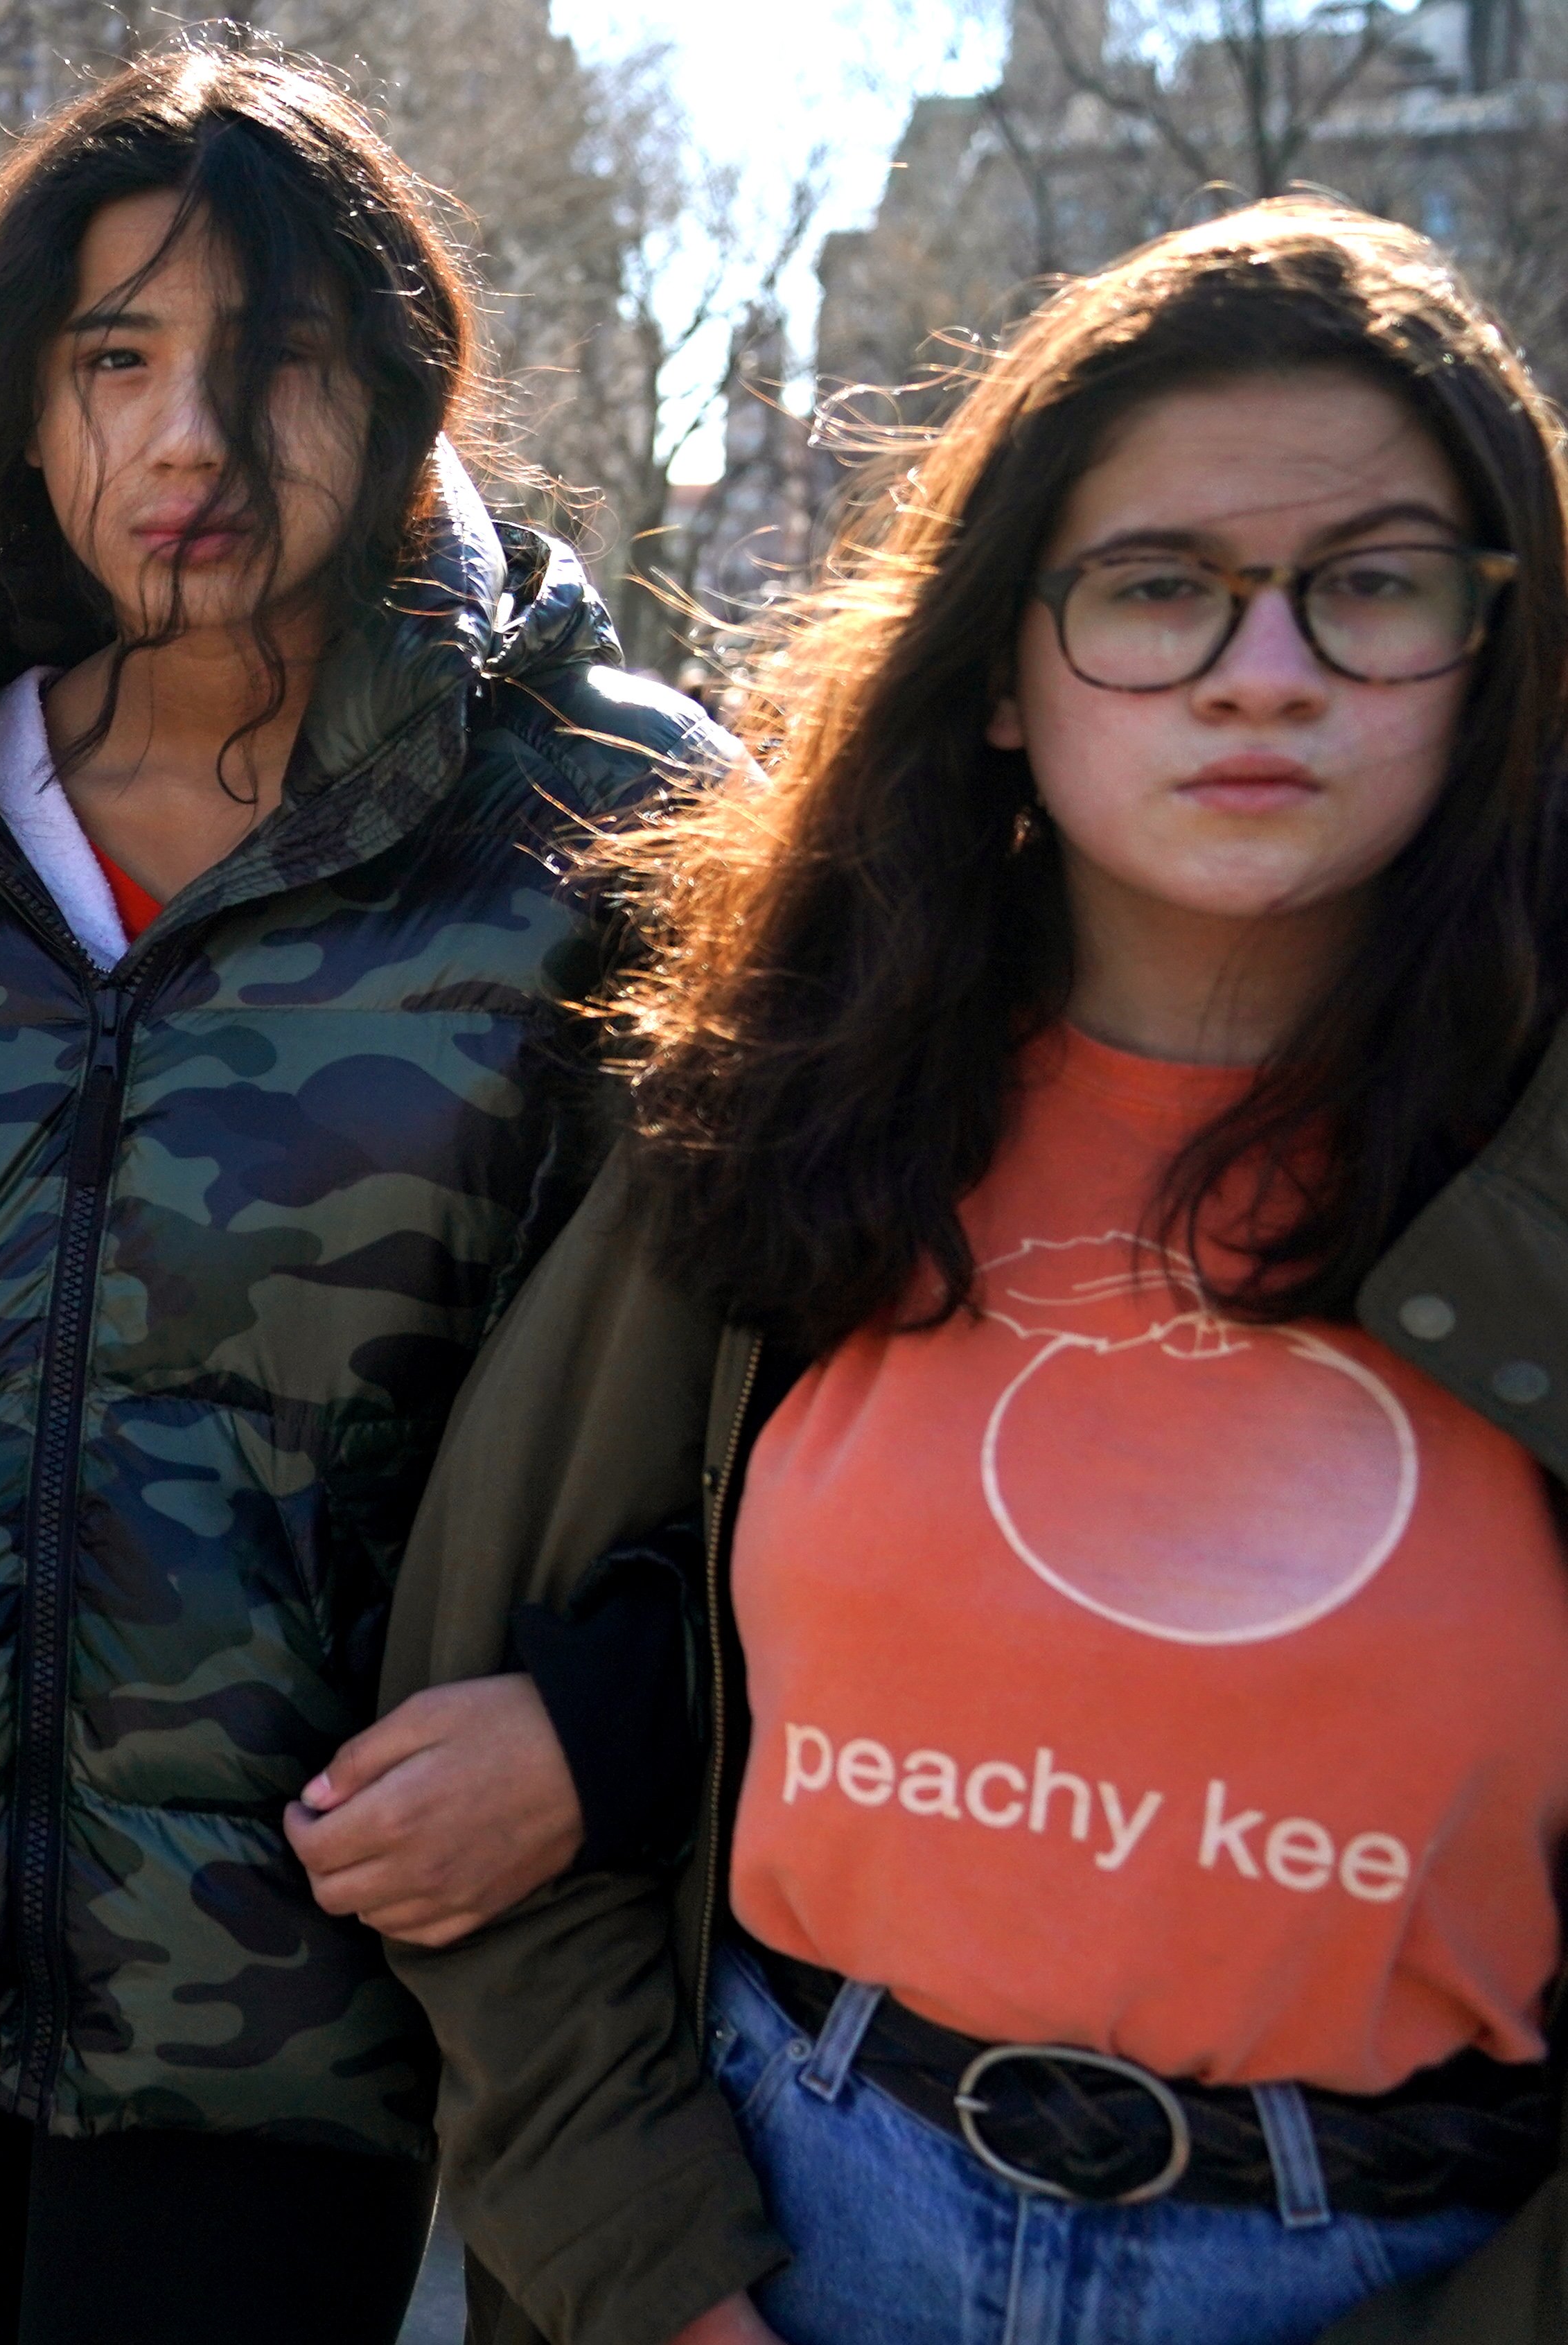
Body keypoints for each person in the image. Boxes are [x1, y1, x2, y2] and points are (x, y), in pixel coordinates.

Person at [0, 40, 734, 2345]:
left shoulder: (598, 816)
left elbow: (787, 1415)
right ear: (23, 401)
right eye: (114, 359)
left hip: (304, 2016)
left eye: (273, 358)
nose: (188, 437)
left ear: (399, 389)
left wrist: (605, 1723)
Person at [360, 200, 1568, 2345]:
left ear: (1501, 656)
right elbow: (463, 1769)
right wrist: (651, 2284)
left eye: (1370, 585)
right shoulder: (779, 1101)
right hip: (789, 2231)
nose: (1261, 669)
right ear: (1002, 668)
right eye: (1154, 589)